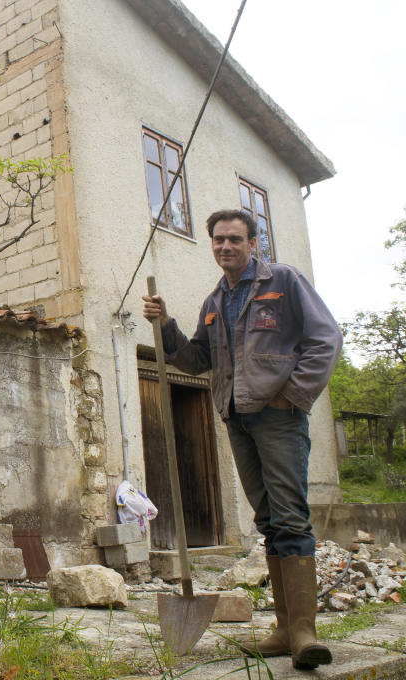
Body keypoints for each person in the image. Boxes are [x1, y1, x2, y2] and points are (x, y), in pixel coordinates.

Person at [142, 209, 341, 670]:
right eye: (218, 240)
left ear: (254, 243)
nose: (225, 247)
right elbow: (195, 361)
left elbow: (326, 339)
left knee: (291, 517)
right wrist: (166, 325)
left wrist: (292, 396)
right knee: (269, 519)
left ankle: (305, 630)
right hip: (237, 418)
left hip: (278, 418)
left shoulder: (283, 282)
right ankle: (286, 628)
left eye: (235, 239)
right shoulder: (214, 302)